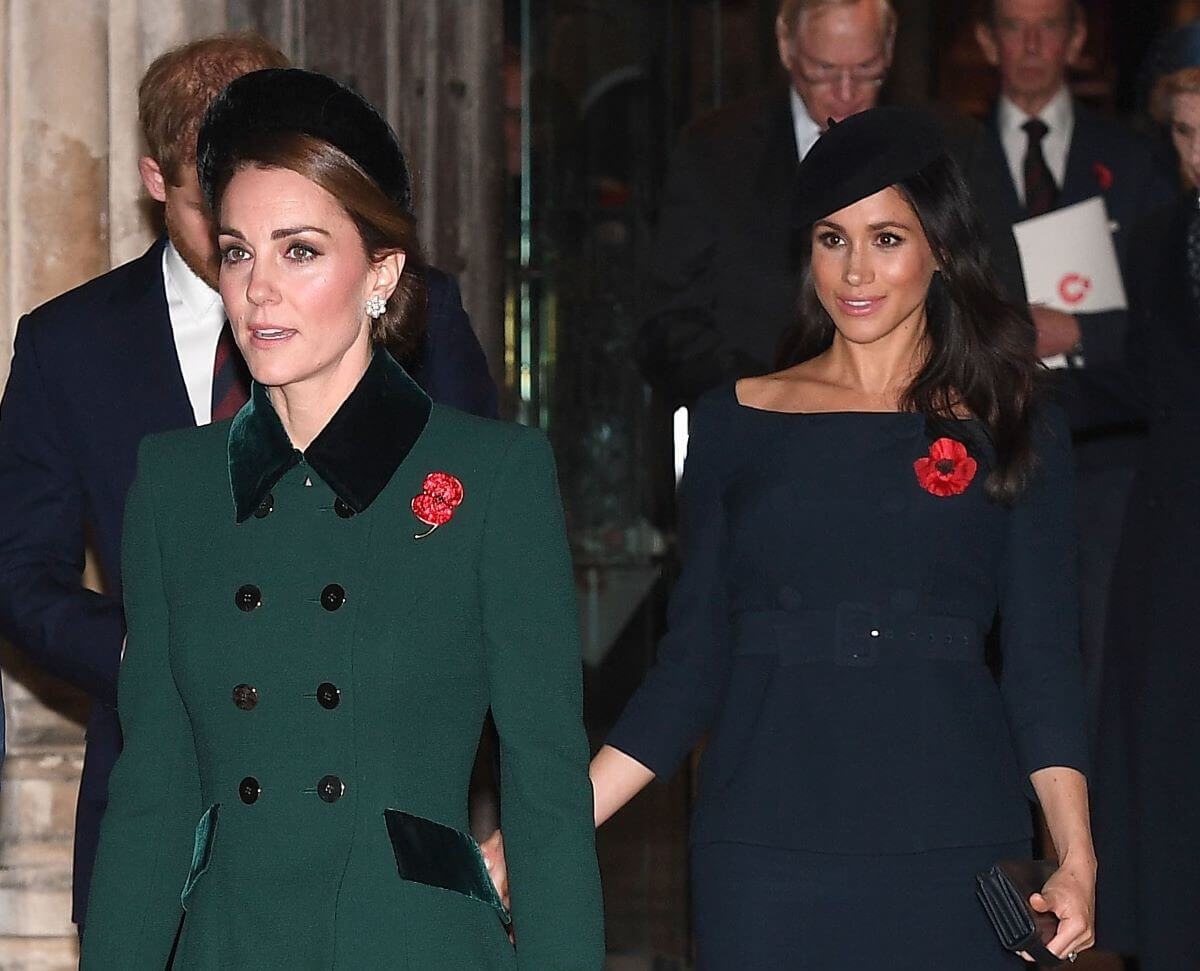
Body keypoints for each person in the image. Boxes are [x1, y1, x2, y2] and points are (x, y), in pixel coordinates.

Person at [79, 68, 603, 968]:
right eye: (239, 252)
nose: (259, 290)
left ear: (382, 273)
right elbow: (153, 795)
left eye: (301, 251)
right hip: (231, 943)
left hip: (415, 944)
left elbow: (547, 797)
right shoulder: (175, 484)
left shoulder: (492, 477)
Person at [0, 32, 496, 932]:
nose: (256, 260)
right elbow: (16, 570)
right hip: (161, 819)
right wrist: (144, 649)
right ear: (156, 181)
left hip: (374, 832)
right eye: (216, 208)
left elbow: (474, 540)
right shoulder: (68, 344)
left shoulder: (418, 309)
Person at [600, 107, 1095, 968]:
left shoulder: (1015, 418)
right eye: (832, 239)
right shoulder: (734, 420)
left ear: (940, 247)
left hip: (958, 845)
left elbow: (1045, 663)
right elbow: (688, 668)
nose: (855, 270)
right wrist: (547, 828)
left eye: (887, 238)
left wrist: (1076, 854)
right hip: (763, 849)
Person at [636, 0, 1026, 408]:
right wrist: (772, 399)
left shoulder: (952, 145)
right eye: (823, 71)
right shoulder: (713, 152)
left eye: (865, 70)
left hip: (918, 421)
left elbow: (997, 306)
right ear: (787, 48)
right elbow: (668, 326)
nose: (845, 94)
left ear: (889, 49)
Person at [975, 0, 1177, 736]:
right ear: (985, 39)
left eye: (1050, 25)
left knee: (1095, 668)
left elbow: (1173, 323)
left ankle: (1084, 845)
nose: (1031, 45)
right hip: (978, 447)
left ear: (1078, 38)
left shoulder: (1135, 158)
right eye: (1013, 26)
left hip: (1103, 453)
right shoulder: (954, 158)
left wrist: (1076, 331)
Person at [1082, 59, 1200, 971]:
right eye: (1189, 136)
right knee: (1162, 775)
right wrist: (1007, 383)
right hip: (1169, 545)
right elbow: (1138, 384)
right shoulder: (1162, 234)